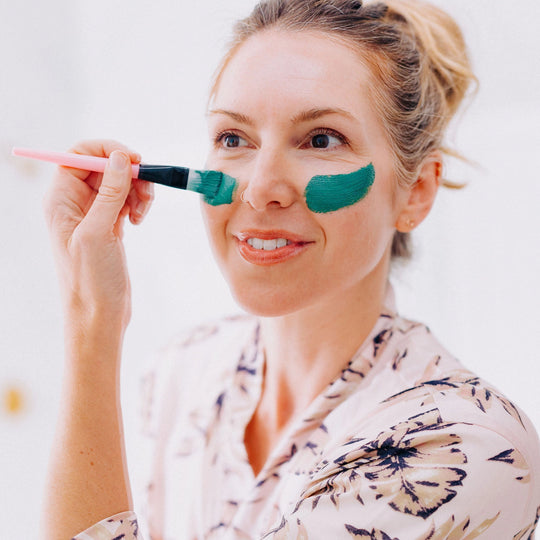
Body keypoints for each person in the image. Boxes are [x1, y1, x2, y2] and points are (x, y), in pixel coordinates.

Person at [42, 0, 540, 538]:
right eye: (234, 138)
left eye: (321, 139)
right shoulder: (178, 375)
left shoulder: (463, 446)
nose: (259, 190)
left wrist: (92, 325)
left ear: (415, 193)